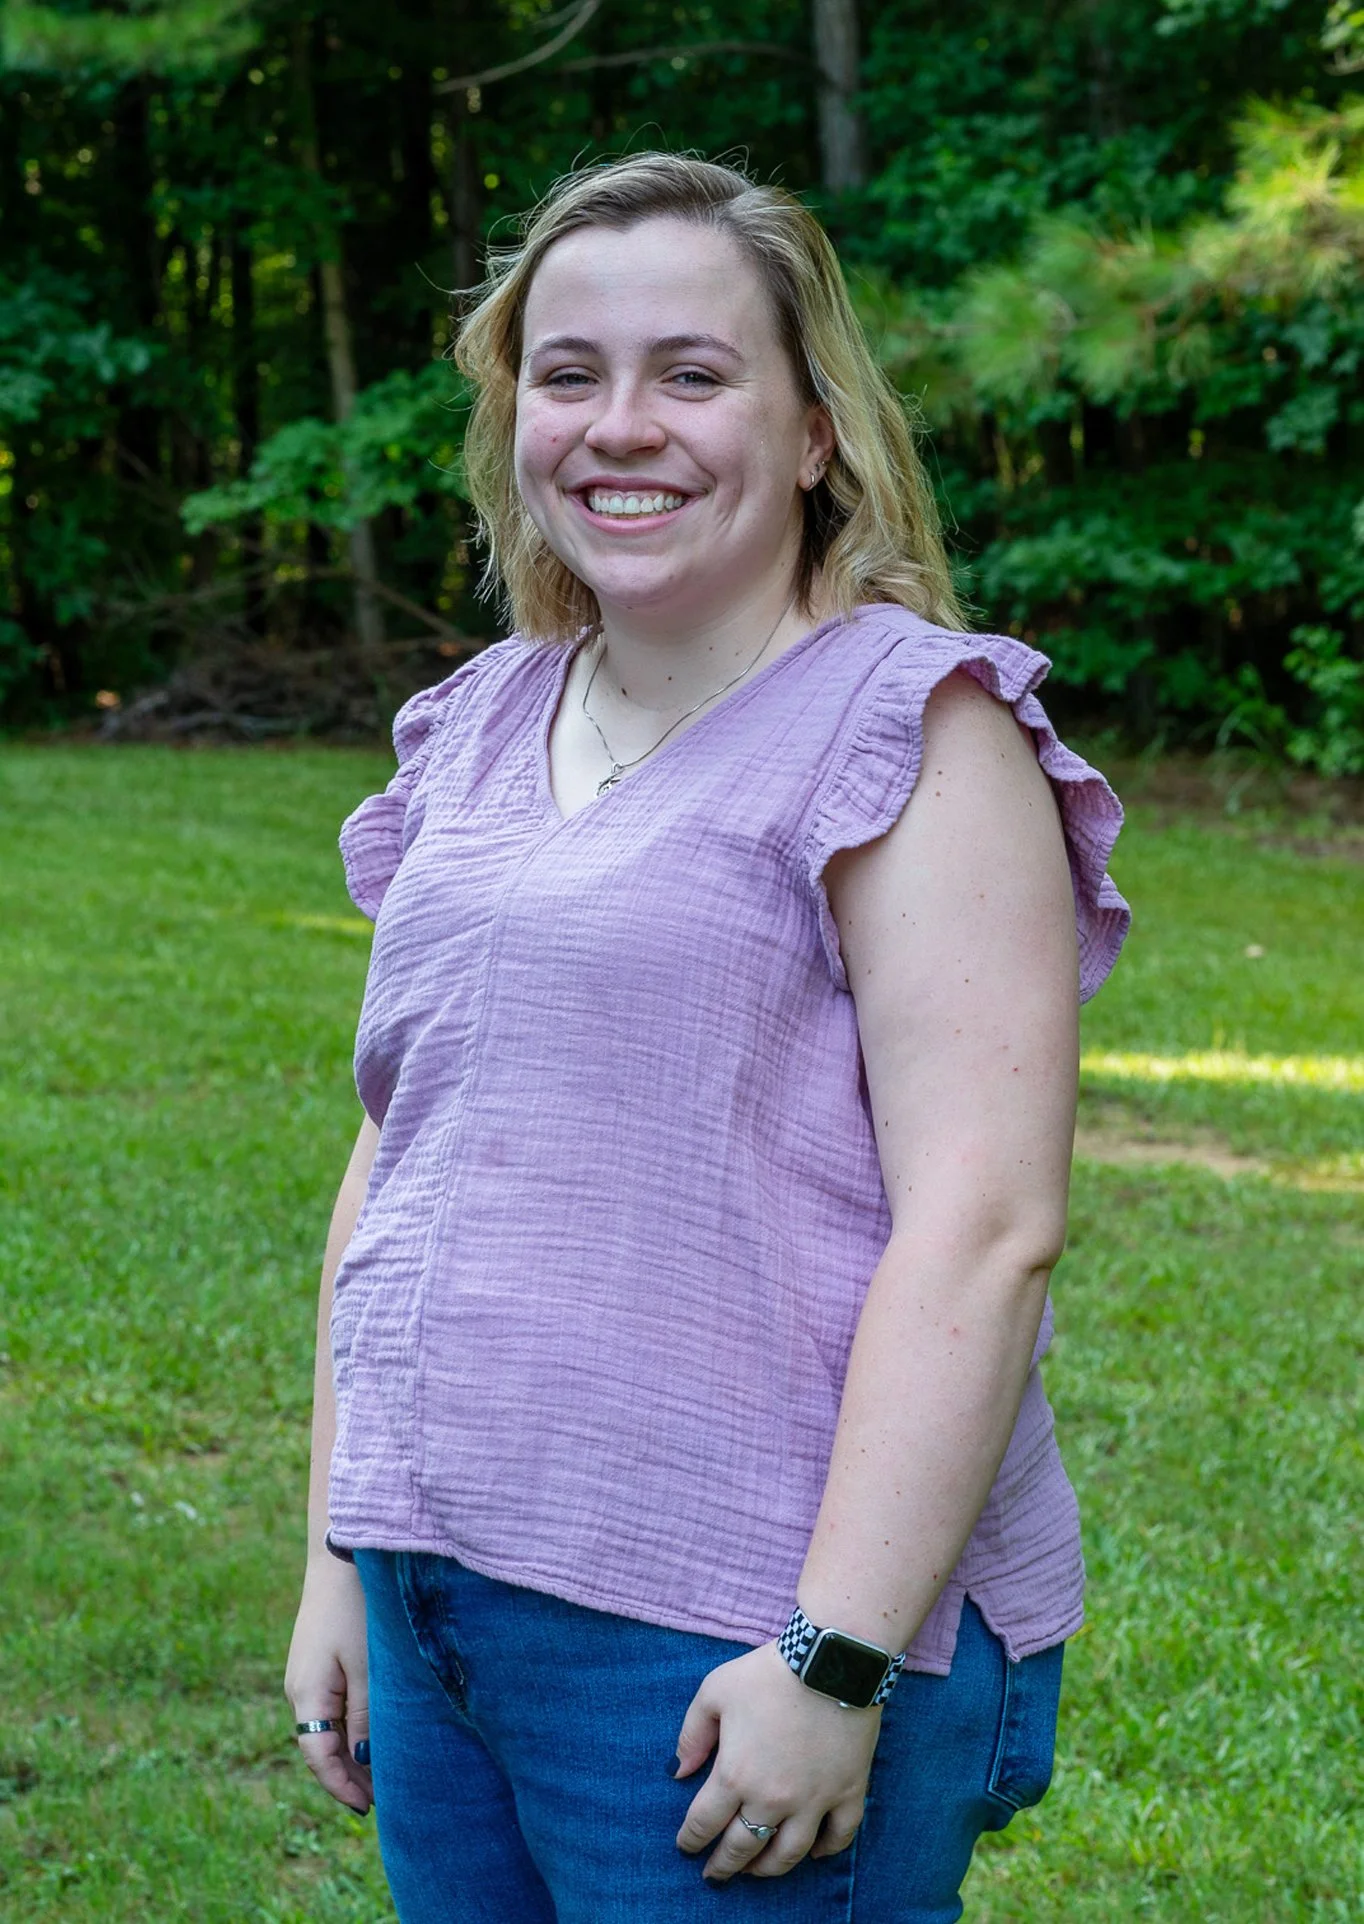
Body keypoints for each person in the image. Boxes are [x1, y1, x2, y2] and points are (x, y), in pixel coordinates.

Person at [284, 152, 1129, 1923]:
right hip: (443, 1592)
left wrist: (837, 1662)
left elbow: (986, 1232)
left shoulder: (919, 731)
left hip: (727, 1632)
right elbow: (402, 1141)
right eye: (568, 375)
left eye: (692, 373)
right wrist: (341, 1554)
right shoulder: (482, 719)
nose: (620, 426)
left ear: (816, 429)